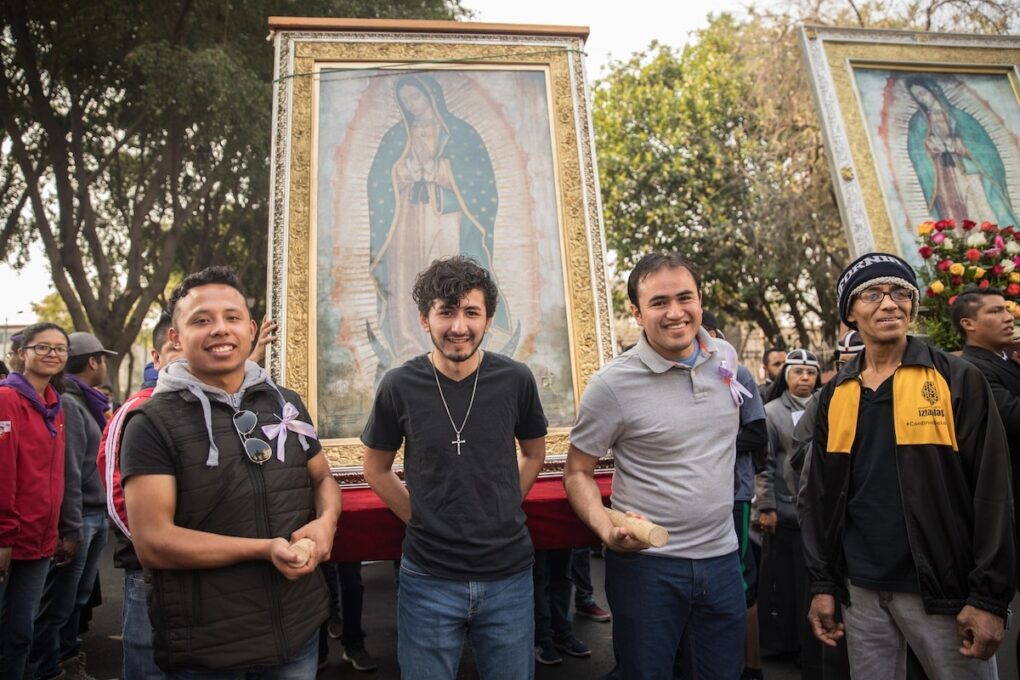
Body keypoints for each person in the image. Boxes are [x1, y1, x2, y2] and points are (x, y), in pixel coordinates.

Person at [802, 252, 1015, 680]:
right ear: (850, 313)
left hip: (944, 590)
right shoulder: (836, 392)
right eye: (872, 294)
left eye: (900, 292)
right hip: (860, 590)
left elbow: (993, 492)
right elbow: (820, 495)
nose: (889, 303)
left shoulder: (956, 378)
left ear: (913, 306)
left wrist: (988, 598)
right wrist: (824, 585)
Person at [120, 266, 341, 677]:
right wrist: (263, 549)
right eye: (202, 320)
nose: (220, 328)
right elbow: (153, 542)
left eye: (232, 317)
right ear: (176, 337)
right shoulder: (151, 423)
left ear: (251, 329)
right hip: (209, 643)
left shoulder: (285, 402)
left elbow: (322, 478)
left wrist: (326, 523)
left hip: (297, 629)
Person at [362, 256, 547, 680]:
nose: (459, 326)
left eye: (471, 312)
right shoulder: (398, 385)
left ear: (489, 319)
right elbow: (375, 468)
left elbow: (534, 454)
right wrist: (419, 516)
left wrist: (505, 503)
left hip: (508, 575)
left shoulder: (516, 380)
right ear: (424, 319)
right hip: (428, 575)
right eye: (446, 312)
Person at [564, 252, 748, 680]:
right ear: (637, 313)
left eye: (685, 298)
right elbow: (577, 472)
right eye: (659, 302)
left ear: (700, 299)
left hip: (723, 559)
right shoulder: (611, 385)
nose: (675, 312)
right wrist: (605, 529)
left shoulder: (725, 356)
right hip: (648, 568)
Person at [367, 74, 511, 366]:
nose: (412, 104)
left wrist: (443, 172)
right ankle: (408, 344)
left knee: (450, 278)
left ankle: (455, 344)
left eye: (415, 97)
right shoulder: (396, 136)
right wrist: (401, 173)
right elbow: (379, 180)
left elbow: (480, 182)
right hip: (407, 219)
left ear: (431, 95)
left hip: (447, 218)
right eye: (405, 101)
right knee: (407, 274)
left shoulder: (460, 134)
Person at [97, 312, 178, 680]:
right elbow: (114, 490)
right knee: (147, 660)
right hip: (145, 564)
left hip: (200, 568)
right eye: (174, 351)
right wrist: (152, 541)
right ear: (156, 358)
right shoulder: (137, 408)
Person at [31, 332, 115, 680]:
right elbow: (71, 471)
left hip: (94, 514)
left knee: (76, 598)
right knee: (60, 601)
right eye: (103, 359)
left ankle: (66, 657)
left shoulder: (89, 402)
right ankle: (48, 667)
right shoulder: (71, 404)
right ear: (93, 362)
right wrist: (72, 528)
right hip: (82, 517)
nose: (104, 366)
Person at [954, 288, 1020, 666]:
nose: (1008, 317)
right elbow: (1012, 418)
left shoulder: (1004, 361)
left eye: (1007, 310)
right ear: (968, 323)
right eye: (996, 311)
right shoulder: (974, 370)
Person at [0, 323, 69, 680]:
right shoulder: (7, 399)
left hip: (39, 540)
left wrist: (55, 530)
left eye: (59, 348)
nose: (52, 354)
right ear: (21, 353)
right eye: (42, 347)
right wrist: (4, 537)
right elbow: (3, 472)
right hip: (8, 539)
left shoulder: (55, 404)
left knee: (20, 634)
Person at [758, 350, 822, 676]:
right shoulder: (771, 412)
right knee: (784, 585)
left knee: (813, 587)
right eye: (797, 372)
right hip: (784, 512)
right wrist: (767, 506)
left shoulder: (826, 405)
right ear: (786, 377)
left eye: (810, 372)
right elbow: (765, 463)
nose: (805, 378)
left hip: (818, 512)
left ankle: (811, 647)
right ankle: (786, 645)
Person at [904, 75, 1019, 228]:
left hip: (970, 172)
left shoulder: (961, 117)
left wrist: (958, 146)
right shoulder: (917, 122)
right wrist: (932, 148)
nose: (922, 99)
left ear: (933, 90)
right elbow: (917, 153)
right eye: (917, 96)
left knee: (980, 208)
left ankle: (991, 239)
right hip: (943, 176)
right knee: (954, 215)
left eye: (923, 93)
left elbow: (984, 149)